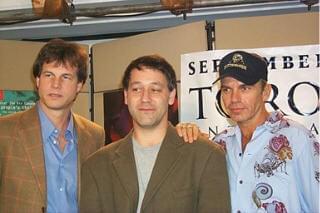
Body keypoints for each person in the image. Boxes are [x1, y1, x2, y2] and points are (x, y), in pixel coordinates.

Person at [80, 55, 231, 213]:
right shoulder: (96, 166)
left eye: (155, 89)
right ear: (126, 96)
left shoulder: (205, 156)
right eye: (137, 89)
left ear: (171, 95)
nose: (145, 98)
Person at [177, 50, 319, 212]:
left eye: (244, 88)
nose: (234, 98)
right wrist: (186, 140)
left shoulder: (297, 139)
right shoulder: (220, 144)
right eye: (226, 89)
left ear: (265, 91)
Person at [0, 39, 105, 213]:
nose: (56, 85)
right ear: (38, 80)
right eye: (49, 75)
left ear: (79, 85)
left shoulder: (94, 135)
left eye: (66, 76)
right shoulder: (5, 132)